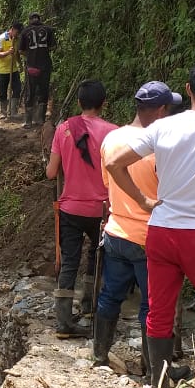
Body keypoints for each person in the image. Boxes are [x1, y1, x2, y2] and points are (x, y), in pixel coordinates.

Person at [105, 61, 195, 387]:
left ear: (188, 89)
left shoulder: (162, 127)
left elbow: (114, 163)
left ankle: (158, 385)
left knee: (159, 311)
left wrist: (143, 201)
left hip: (161, 232)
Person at [93, 81, 185, 380]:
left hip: (116, 232)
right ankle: (153, 370)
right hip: (149, 237)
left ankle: (99, 356)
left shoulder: (112, 139)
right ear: (160, 111)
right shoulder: (162, 146)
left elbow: (108, 184)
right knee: (152, 305)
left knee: (110, 296)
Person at [45, 80, 117, 337]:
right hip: (102, 210)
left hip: (70, 209)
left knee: (69, 262)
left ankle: (64, 322)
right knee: (98, 258)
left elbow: (51, 173)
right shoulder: (113, 133)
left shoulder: (63, 129)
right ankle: (90, 307)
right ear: (103, 104)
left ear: (79, 102)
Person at [19, 12, 57, 127]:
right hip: (45, 65)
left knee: (30, 92)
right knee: (43, 90)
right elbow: (53, 47)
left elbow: (21, 50)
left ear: (30, 20)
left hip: (32, 66)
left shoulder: (25, 32)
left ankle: (28, 121)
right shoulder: (48, 30)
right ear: (39, 19)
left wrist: (30, 54)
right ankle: (40, 119)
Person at [0, 22, 23, 119]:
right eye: (17, 32)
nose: (18, 34)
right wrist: (8, 52)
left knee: (17, 89)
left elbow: (17, 53)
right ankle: (3, 112)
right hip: (2, 70)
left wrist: (20, 64)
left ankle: (13, 111)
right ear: (12, 29)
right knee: (3, 91)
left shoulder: (17, 40)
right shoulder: (2, 38)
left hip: (13, 69)